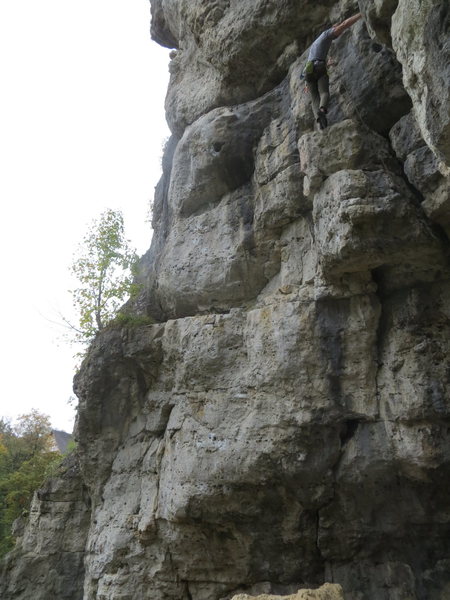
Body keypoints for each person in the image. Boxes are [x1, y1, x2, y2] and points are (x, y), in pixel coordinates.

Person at [304, 13, 362, 129]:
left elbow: (312, 62)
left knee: (314, 98)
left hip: (308, 72)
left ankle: (320, 121)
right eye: (336, 31)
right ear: (333, 29)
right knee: (324, 93)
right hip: (319, 67)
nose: (338, 34)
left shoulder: (316, 44)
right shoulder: (327, 34)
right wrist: (361, 15)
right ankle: (322, 110)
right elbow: (345, 24)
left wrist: (328, 64)